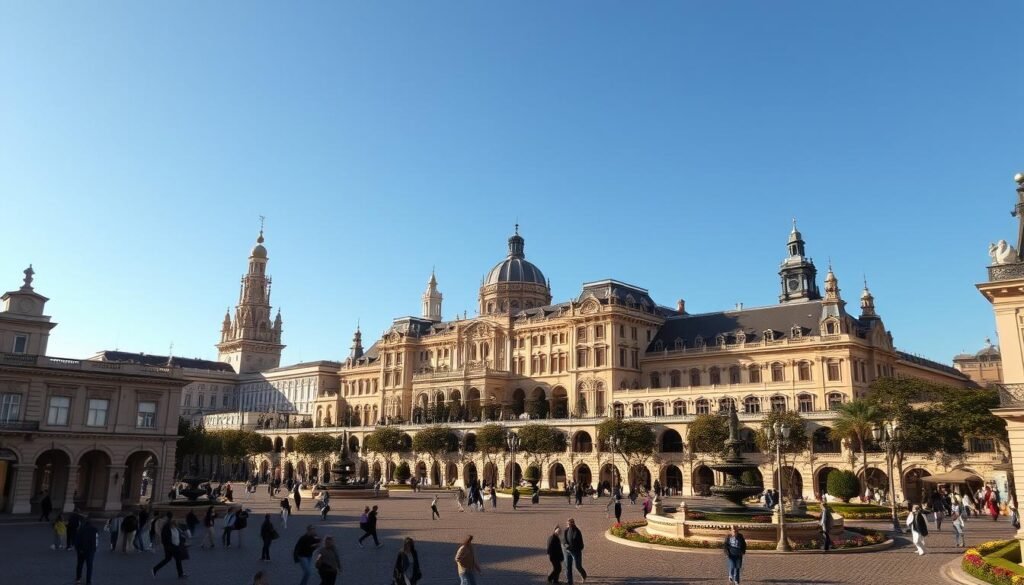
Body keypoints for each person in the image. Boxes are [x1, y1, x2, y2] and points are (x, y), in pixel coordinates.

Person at [151, 512, 187, 579]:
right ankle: (180, 574)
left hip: (172, 546)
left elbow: (178, 534)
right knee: (177, 559)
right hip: (171, 546)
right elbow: (166, 537)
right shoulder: (167, 527)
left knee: (168, 559)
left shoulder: (173, 526)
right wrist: (171, 545)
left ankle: (155, 569)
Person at [75, 515, 99, 585]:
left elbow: (77, 540)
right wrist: (95, 549)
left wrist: (78, 549)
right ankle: (88, 581)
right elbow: (96, 540)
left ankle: (78, 578)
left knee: (79, 564)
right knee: (89, 566)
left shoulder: (80, 529)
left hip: (81, 550)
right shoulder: (94, 529)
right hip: (90, 550)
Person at [562, 518, 587, 585]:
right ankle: (570, 582)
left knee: (578, 566)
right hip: (567, 552)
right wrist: (566, 546)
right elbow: (564, 541)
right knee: (568, 567)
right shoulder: (566, 531)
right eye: (568, 523)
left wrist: (575, 548)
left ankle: (584, 575)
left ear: (573, 523)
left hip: (576, 552)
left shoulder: (577, 531)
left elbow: (581, 544)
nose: (568, 525)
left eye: (570, 523)